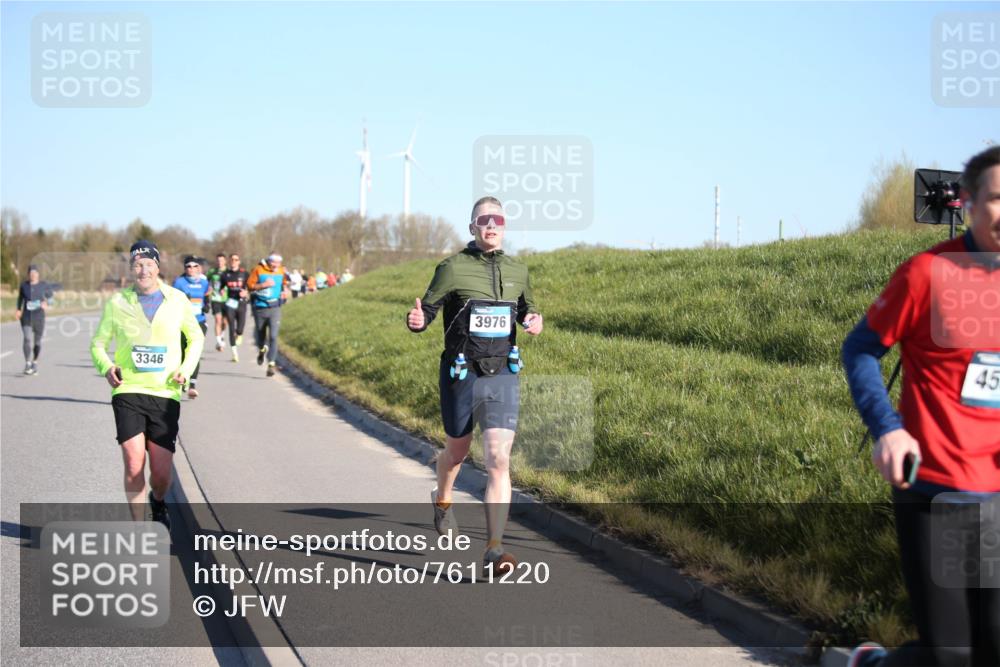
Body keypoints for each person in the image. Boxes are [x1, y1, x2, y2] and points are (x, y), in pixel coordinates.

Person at [842, 146, 1000, 667]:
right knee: (951, 656)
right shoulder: (928, 273)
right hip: (935, 490)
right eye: (998, 198)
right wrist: (887, 428)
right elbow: (861, 348)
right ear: (969, 203)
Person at [406, 196, 543, 573]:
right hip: (461, 372)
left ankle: (494, 550)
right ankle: (443, 500)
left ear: (505, 226)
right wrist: (416, 321)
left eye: (497, 219)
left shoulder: (518, 269)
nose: (491, 225)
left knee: (498, 457)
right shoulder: (452, 268)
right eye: (484, 220)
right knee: (457, 451)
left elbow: (527, 310)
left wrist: (534, 320)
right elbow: (427, 311)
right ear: (472, 228)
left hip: (503, 372)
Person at [90, 240, 204, 529]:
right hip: (128, 390)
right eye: (137, 265)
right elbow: (98, 343)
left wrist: (185, 370)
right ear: (131, 268)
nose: (143, 270)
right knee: (133, 463)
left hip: (165, 392)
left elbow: (196, 338)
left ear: (157, 267)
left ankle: (159, 500)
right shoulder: (117, 302)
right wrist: (107, 367)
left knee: (162, 474)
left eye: (148, 264)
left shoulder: (177, 299)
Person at [171, 256, 211, 398]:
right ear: (185, 268)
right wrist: (183, 301)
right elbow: (171, 300)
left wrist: (207, 305)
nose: (192, 269)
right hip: (182, 322)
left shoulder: (204, 282)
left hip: (199, 321)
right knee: (182, 352)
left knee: (195, 351)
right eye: (189, 266)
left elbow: (207, 297)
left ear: (199, 268)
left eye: (195, 266)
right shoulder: (179, 282)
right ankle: (184, 379)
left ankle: (192, 385)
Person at [246, 252, 291, 377]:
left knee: (273, 336)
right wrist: (263, 285)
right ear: (269, 261)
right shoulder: (258, 269)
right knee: (261, 335)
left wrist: (285, 291)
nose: (276, 265)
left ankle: (271, 364)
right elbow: (249, 286)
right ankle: (262, 350)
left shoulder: (281, 271)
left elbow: (285, 283)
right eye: (274, 262)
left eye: (279, 262)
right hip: (260, 308)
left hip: (275, 307)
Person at [15, 264, 52, 375]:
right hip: (26, 316)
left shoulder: (43, 285)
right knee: (27, 338)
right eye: (31, 273)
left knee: (37, 342)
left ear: (38, 274)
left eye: (35, 273)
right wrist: (18, 309)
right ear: (28, 274)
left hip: (39, 317)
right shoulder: (24, 286)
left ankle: (34, 362)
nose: (33, 275)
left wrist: (47, 303)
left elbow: (50, 298)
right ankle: (27, 363)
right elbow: (20, 299)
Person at [221, 253, 250, 362]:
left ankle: (239, 334)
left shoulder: (244, 274)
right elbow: (221, 286)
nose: (233, 261)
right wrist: (221, 290)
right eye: (232, 259)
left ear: (239, 261)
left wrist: (246, 293)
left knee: (240, 328)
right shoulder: (225, 274)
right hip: (230, 303)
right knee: (231, 328)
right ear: (229, 261)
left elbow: (251, 287)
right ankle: (234, 353)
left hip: (241, 303)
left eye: (236, 259)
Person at [205, 252, 229, 351]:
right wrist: (209, 288)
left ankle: (222, 335)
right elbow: (205, 282)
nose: (220, 262)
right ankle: (219, 343)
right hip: (216, 299)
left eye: (221, 261)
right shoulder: (212, 272)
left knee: (225, 322)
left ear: (225, 261)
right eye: (218, 261)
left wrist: (226, 289)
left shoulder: (228, 272)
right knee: (218, 320)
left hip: (227, 299)